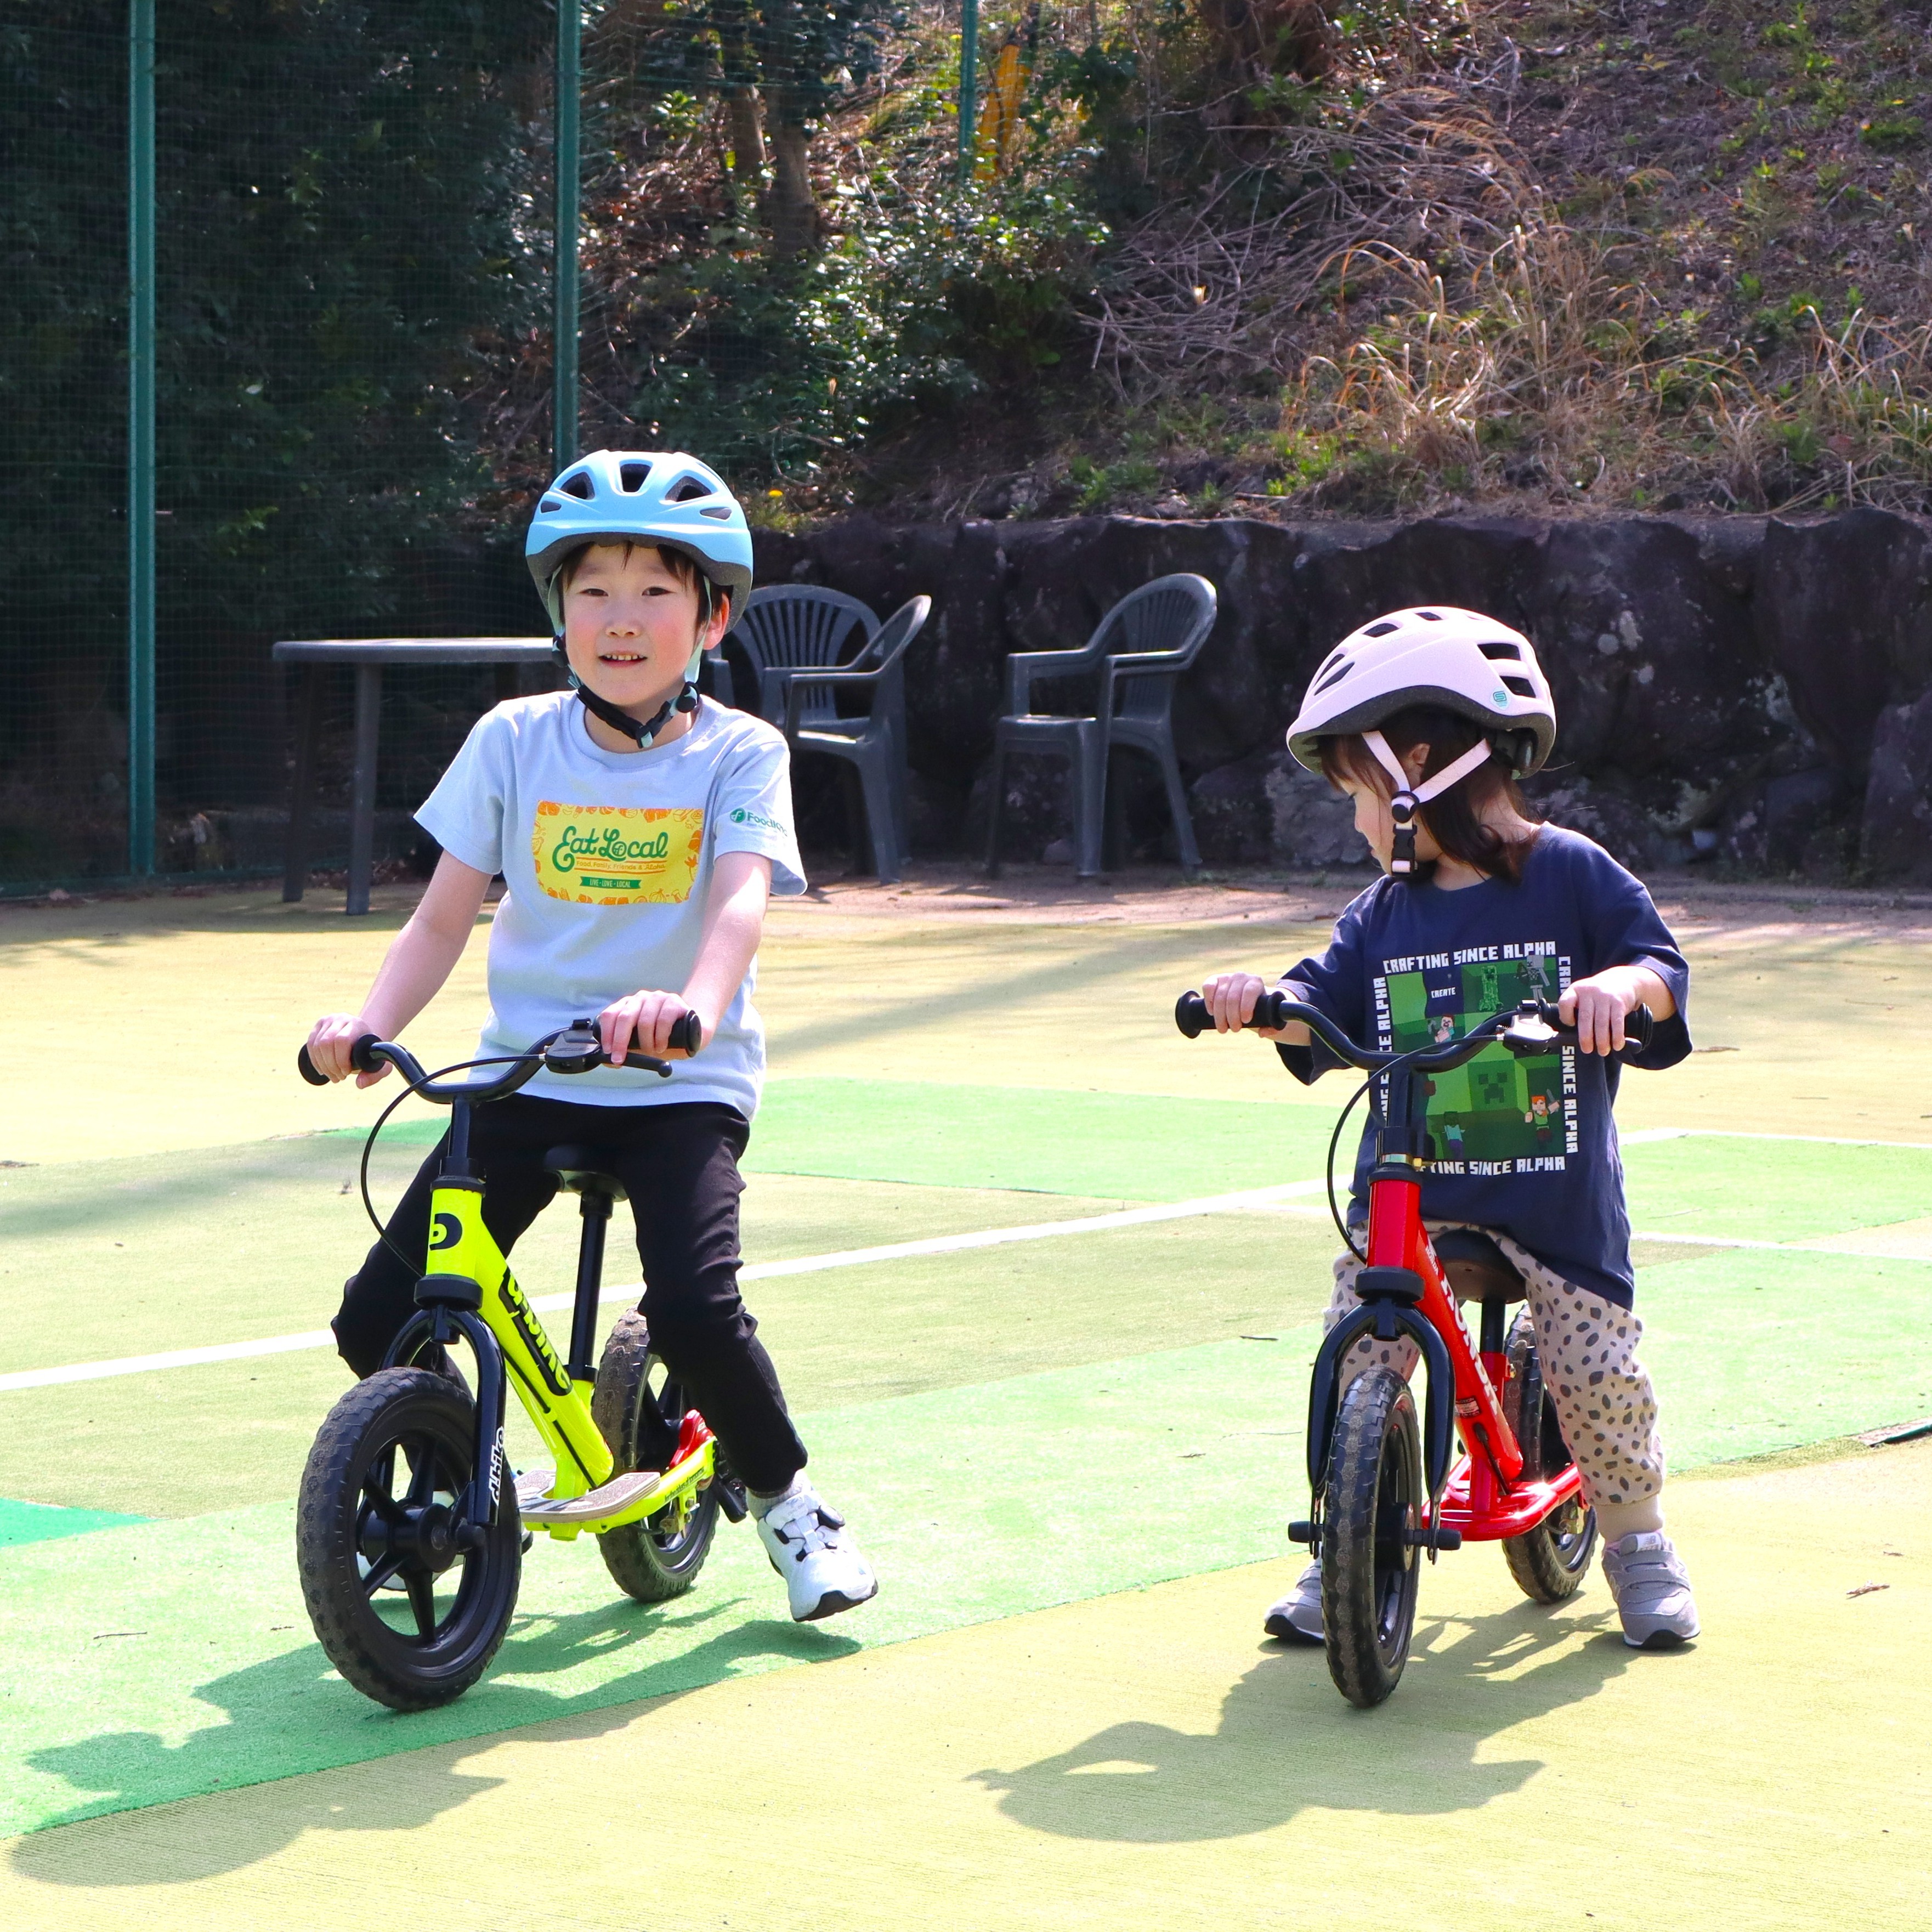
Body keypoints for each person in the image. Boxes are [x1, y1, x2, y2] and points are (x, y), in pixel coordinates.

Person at [304, 448, 877, 1624]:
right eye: (591, 591)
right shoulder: (514, 739)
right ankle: (474, 1471)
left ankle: (791, 1506)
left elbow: (738, 903)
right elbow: (440, 917)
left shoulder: (737, 752)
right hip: (528, 1073)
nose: (620, 619)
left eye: (655, 591)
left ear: (710, 616)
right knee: (378, 1316)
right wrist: (367, 1025)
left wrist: (692, 1009)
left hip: (679, 1079)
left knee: (696, 1310)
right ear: (558, 614)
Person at [1199, 604, 1698, 1650]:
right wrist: (1258, 998)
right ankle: (1344, 1538)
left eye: (1358, 793)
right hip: (1412, 1197)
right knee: (1360, 1351)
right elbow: (1317, 996)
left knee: (1597, 1373)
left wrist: (1616, 987)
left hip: (1551, 1202)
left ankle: (1638, 1543)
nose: (1356, 824)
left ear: (1416, 761)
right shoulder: (1382, 914)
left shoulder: (1568, 873)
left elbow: (1659, 966)